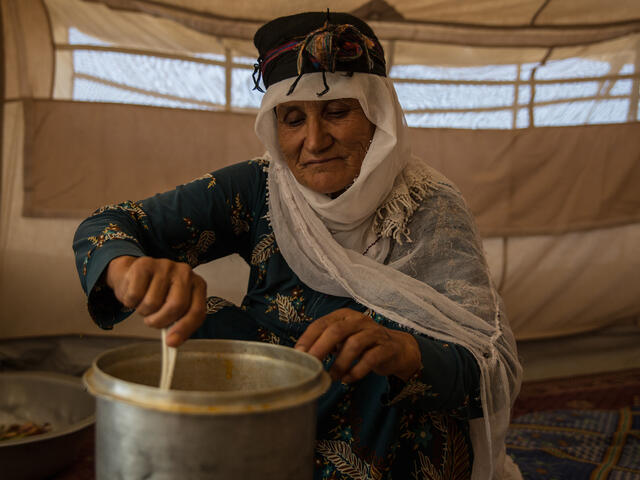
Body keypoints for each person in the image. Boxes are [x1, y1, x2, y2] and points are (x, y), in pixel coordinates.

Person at [73, 11, 522, 480]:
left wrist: (402, 349)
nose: (314, 141)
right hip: (271, 407)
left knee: (377, 360)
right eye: (292, 119)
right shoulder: (261, 186)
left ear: (377, 115)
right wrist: (130, 274)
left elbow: (489, 373)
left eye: (336, 111)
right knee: (205, 320)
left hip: (386, 435)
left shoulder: (429, 206)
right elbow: (110, 225)